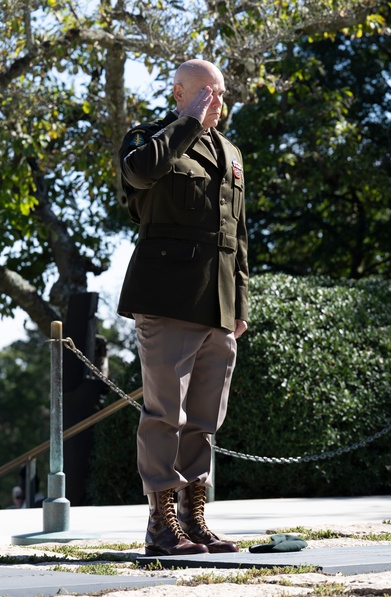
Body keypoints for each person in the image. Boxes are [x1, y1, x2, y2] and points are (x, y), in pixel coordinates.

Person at [117, 59, 249, 556]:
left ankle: (194, 520)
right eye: (204, 94)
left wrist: (240, 303)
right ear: (179, 93)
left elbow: (238, 235)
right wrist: (188, 122)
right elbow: (141, 174)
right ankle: (160, 525)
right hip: (167, 297)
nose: (215, 101)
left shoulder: (232, 153)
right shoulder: (148, 140)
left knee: (204, 418)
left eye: (218, 93)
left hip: (217, 303)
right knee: (163, 413)